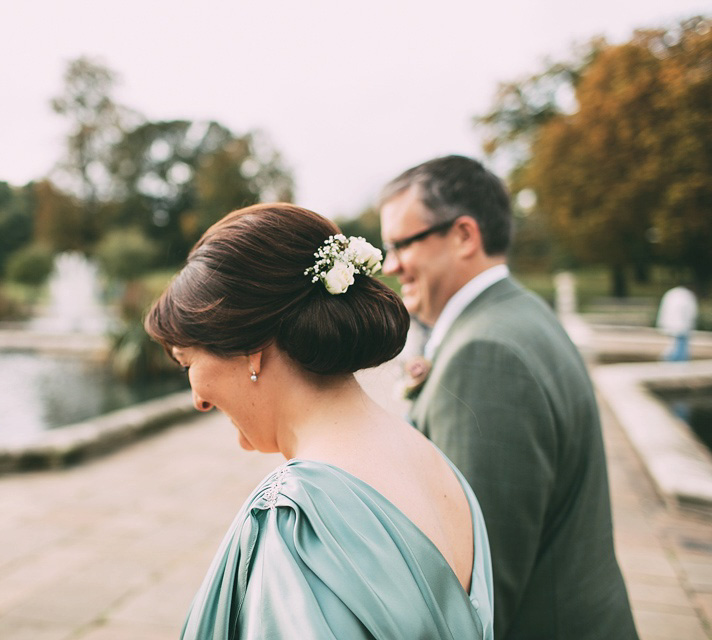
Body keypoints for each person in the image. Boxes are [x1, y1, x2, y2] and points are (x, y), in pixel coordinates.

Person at [146, 203, 494, 639]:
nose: (197, 399)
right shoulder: (441, 469)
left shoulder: (298, 518)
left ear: (250, 346)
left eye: (187, 363)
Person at [378, 155, 637, 639]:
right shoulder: (520, 313)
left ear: (463, 236)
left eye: (401, 244)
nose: (391, 264)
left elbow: (477, 590)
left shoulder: (485, 355)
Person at [657, 285, 699, 361]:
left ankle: (669, 360)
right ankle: (676, 363)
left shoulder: (672, 293)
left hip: (670, 325)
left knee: (674, 345)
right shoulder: (687, 296)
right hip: (682, 326)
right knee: (680, 347)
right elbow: (691, 313)